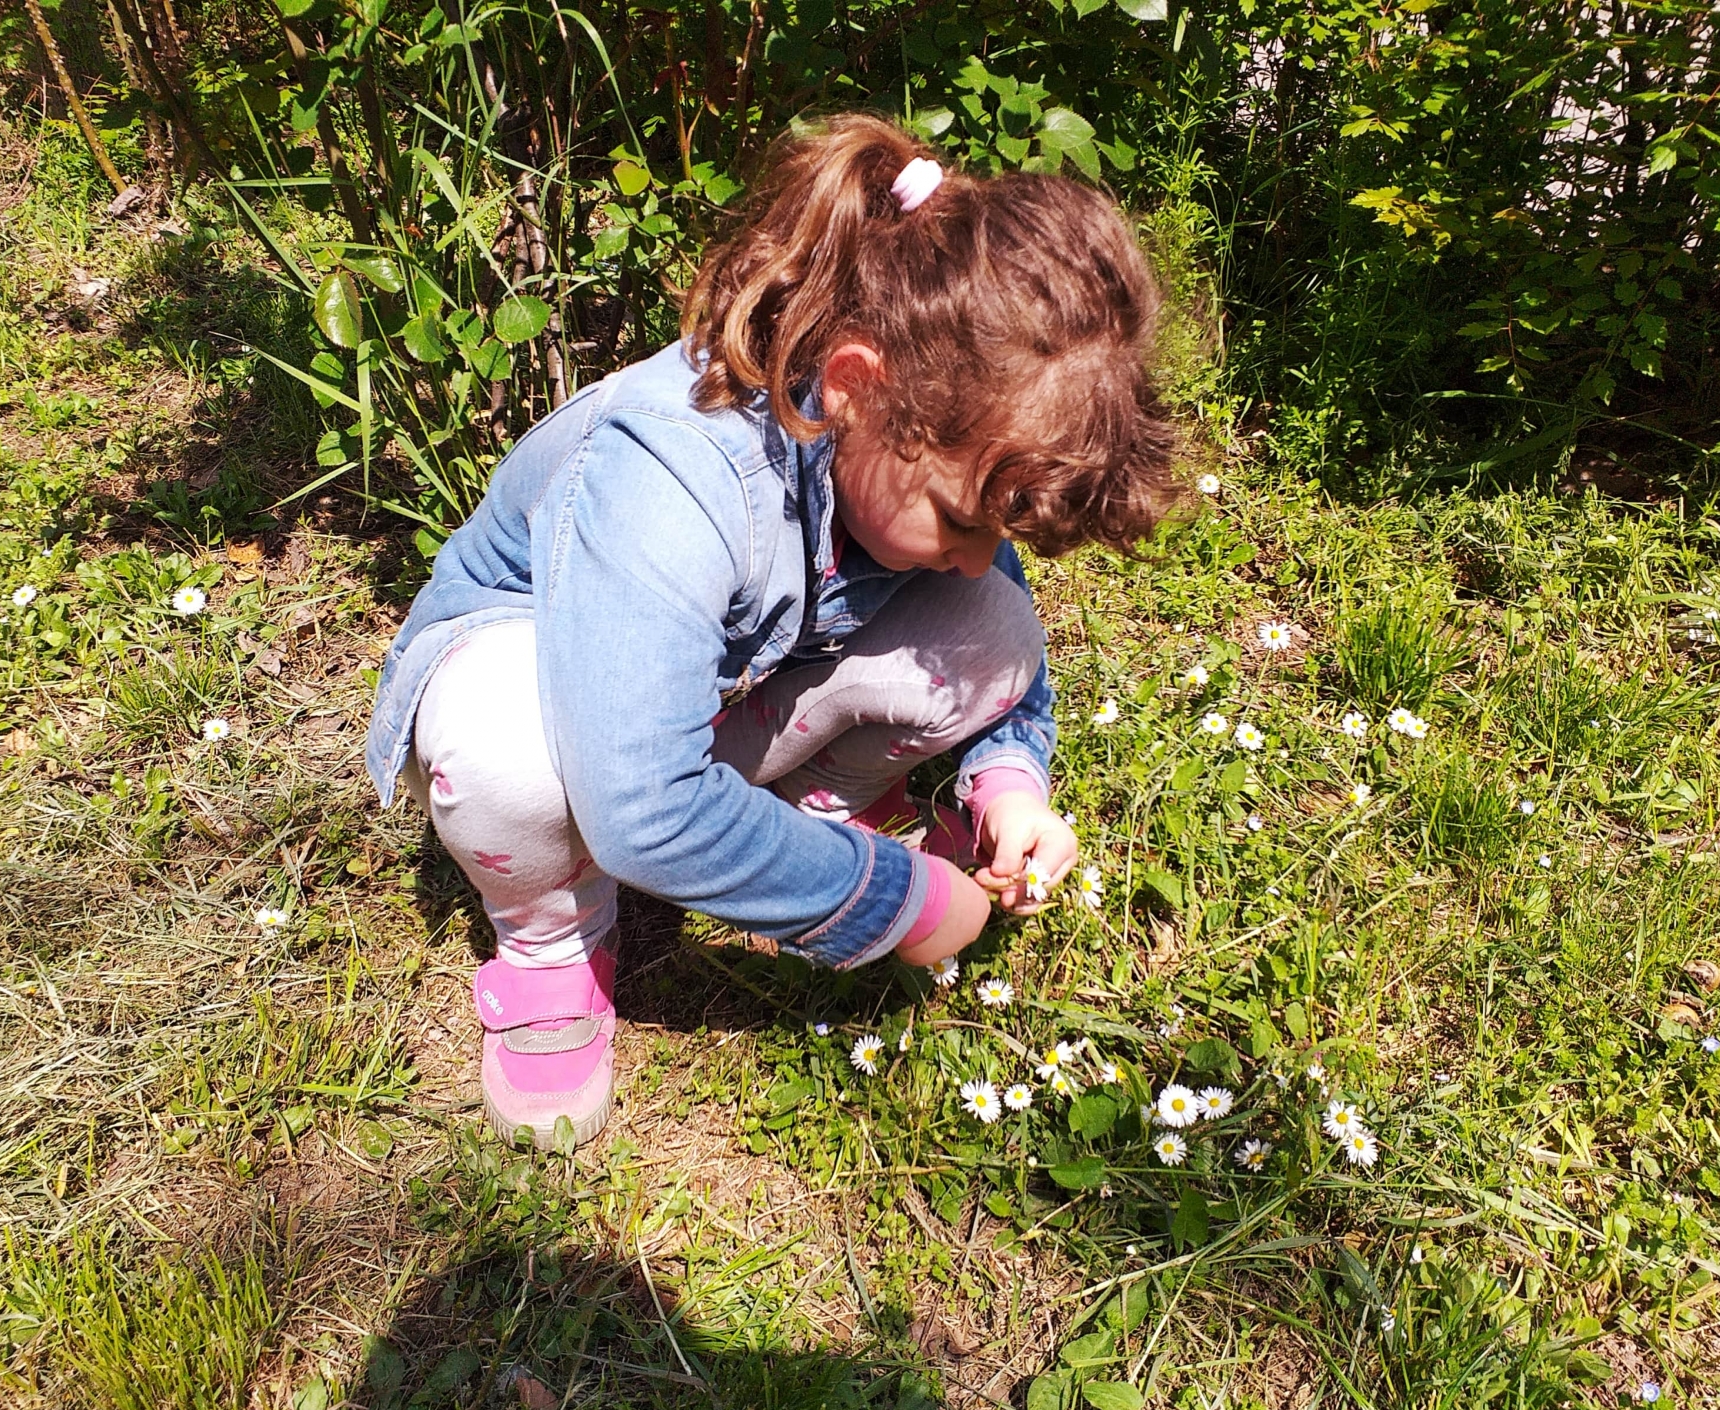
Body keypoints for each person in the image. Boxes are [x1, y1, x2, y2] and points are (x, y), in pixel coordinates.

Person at [365, 114, 1177, 1149]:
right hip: (545, 690)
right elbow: (639, 807)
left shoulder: (915, 447)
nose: (979, 551)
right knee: (504, 749)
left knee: (993, 628)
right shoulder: (673, 470)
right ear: (855, 386)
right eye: (971, 521)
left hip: (696, 707)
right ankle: (553, 943)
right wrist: (899, 902)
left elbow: (1004, 637)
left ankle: (787, 831)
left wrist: (1012, 784)